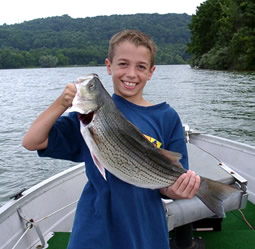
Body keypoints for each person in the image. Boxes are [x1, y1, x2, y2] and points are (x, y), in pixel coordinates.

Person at [23, 30, 200, 249]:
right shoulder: (85, 120)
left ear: (151, 71)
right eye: (123, 64)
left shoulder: (167, 117)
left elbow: (169, 185)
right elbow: (32, 142)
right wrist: (61, 104)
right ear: (109, 66)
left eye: (141, 66)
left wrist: (176, 190)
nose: (131, 74)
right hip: (95, 230)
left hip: (146, 230)